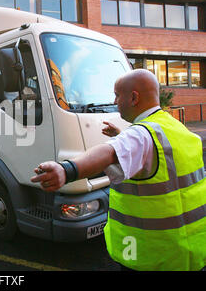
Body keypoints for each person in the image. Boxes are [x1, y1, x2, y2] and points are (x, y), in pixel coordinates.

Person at [30, 69, 205, 271]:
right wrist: (122, 135)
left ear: (133, 97)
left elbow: (109, 152)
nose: (114, 101)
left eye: (117, 94)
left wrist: (66, 170)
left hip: (153, 258)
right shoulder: (175, 128)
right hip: (189, 252)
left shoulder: (140, 135)